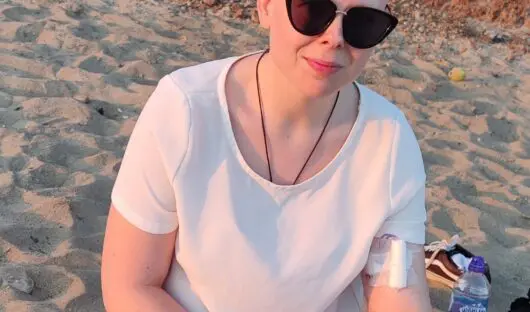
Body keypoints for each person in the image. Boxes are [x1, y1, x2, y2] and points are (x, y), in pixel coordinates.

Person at [101, 0, 432, 310]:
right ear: (265, 7)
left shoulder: (389, 140)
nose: (334, 38)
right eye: (312, 10)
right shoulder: (185, 109)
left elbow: (399, 291)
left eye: (364, 23)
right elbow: (131, 286)